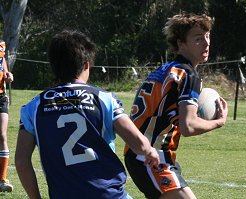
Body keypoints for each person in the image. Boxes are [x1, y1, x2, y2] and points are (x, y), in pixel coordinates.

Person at [15, 30, 160, 199]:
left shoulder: (34, 107)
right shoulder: (104, 98)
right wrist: (150, 151)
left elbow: (21, 161)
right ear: (86, 64)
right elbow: (139, 144)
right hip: (108, 194)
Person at [124, 13, 228, 199]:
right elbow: (188, 126)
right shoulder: (188, 75)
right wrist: (218, 122)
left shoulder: (165, 70)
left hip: (139, 154)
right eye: (198, 39)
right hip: (151, 157)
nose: (206, 44)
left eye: (207, 37)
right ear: (181, 44)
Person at [0, 40, 14, 192]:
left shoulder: (1, 44)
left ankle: (2, 179)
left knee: (2, 136)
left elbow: (1, 60)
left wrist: (7, 74)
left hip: (1, 97)